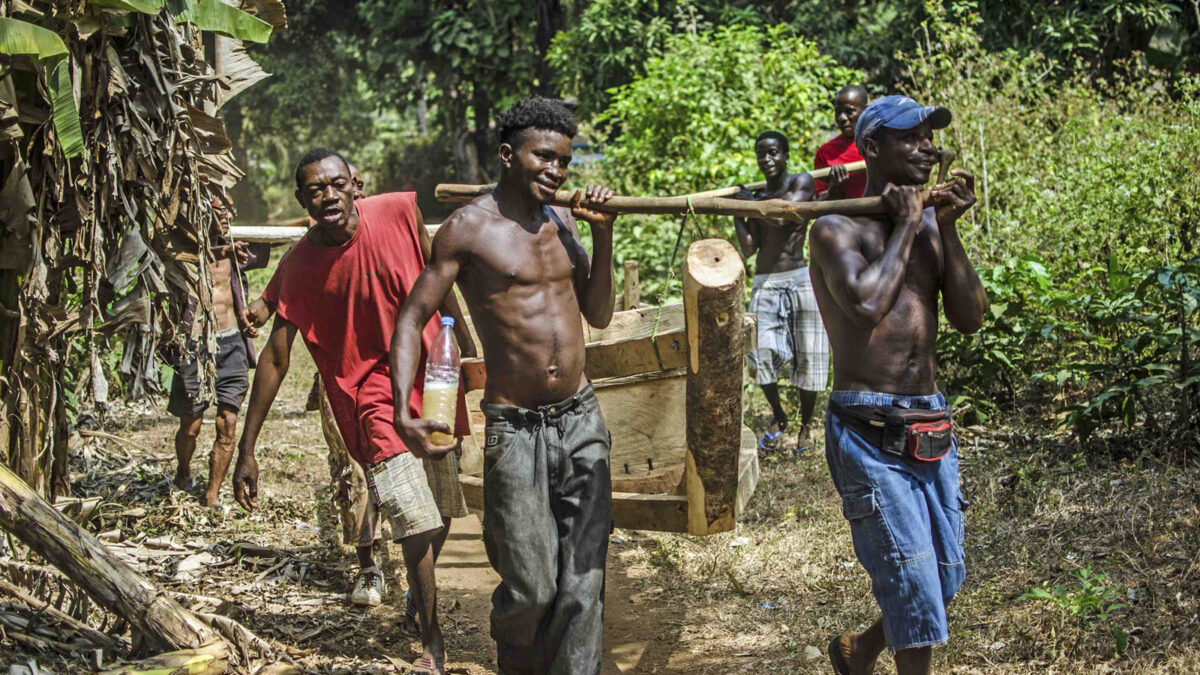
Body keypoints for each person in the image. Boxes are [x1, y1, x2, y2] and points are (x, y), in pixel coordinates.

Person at [391, 97, 616, 675]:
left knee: (584, 583)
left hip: (580, 418)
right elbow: (412, 317)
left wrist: (605, 237)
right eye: (544, 156)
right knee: (533, 584)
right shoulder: (470, 229)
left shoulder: (564, 220)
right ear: (507, 155)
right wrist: (403, 410)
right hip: (515, 429)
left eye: (564, 161)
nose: (557, 171)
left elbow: (598, 314)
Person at [232, 149, 473, 674]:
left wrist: (470, 352)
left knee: (441, 509)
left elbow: (440, 276)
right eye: (314, 190)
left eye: (335, 185)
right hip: (369, 399)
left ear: (355, 186)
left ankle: (416, 592)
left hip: (433, 379)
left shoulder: (399, 213)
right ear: (302, 200)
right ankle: (433, 643)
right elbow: (276, 356)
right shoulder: (298, 266)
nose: (327, 196)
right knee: (412, 514)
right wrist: (246, 449)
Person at [807, 95, 987, 675]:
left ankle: (861, 650)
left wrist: (946, 229)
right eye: (910, 138)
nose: (926, 147)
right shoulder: (835, 228)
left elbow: (970, 317)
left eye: (929, 137)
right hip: (867, 423)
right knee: (912, 573)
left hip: (928, 416)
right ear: (872, 148)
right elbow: (864, 306)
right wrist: (909, 221)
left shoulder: (932, 222)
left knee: (946, 570)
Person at [167, 192, 267, 507]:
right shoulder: (184, 249)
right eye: (217, 211)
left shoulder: (238, 248)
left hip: (232, 341)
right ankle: (183, 471)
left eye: (228, 210)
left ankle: (211, 496)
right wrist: (221, 247)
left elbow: (278, 244)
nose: (225, 216)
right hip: (195, 343)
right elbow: (167, 251)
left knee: (227, 421)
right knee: (192, 424)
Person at [733, 131, 830, 453]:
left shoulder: (800, 182)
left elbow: (785, 217)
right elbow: (748, 248)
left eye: (774, 153)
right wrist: (735, 209)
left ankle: (805, 426)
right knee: (759, 353)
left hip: (799, 277)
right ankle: (779, 415)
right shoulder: (755, 197)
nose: (767, 159)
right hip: (766, 280)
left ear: (785, 155)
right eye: (762, 154)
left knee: (810, 353)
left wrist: (750, 203)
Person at [813, 84, 870, 200]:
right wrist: (835, 188)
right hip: (844, 216)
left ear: (866, 111)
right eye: (838, 112)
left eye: (849, 111)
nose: (841, 118)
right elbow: (817, 203)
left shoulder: (882, 143)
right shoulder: (825, 152)